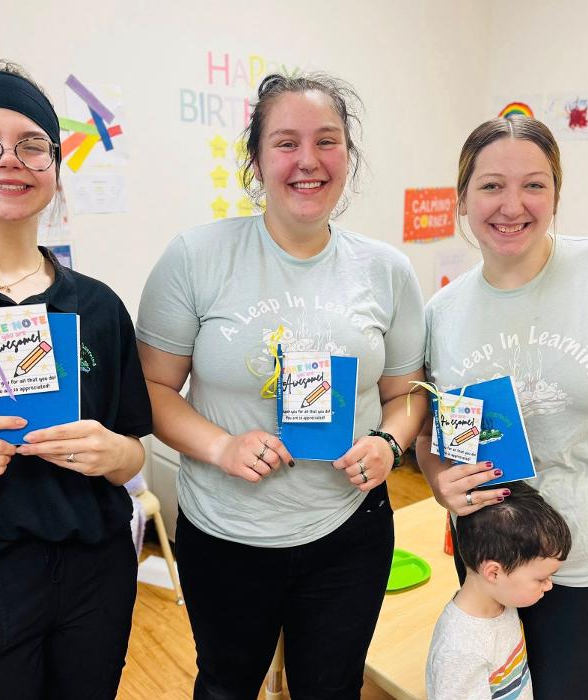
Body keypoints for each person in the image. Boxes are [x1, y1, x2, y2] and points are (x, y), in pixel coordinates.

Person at [137, 72, 427, 699]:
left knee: (332, 687)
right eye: (286, 142)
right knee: (226, 686)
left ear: (348, 155)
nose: (307, 160)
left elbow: (408, 394)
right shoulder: (196, 257)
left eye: (326, 141)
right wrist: (221, 446)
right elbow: (152, 389)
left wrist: (388, 443)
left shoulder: (387, 270)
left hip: (349, 529)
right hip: (225, 530)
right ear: (257, 159)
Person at [416, 115, 588, 700]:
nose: (512, 205)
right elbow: (432, 437)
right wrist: (440, 482)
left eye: (534, 185)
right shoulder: (442, 313)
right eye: (491, 185)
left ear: (556, 195)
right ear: (463, 198)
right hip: (488, 563)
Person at [0, 62, 151, 698]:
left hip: (93, 579)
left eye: (31, 144)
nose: (9, 159)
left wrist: (112, 454)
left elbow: (134, 448)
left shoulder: (96, 306)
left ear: (54, 165)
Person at [427, 481, 571, 699]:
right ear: (494, 572)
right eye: (541, 579)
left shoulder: (502, 602)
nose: (549, 585)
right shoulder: (460, 649)